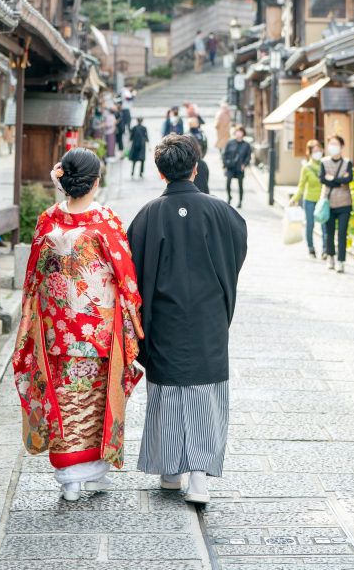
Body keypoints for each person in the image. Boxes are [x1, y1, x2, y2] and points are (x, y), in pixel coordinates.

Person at [13, 148, 143, 501]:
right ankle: (95, 470)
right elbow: (127, 277)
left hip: (57, 331)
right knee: (98, 401)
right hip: (98, 332)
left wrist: (33, 319)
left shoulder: (47, 220)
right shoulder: (106, 221)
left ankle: (70, 477)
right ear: (96, 182)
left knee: (65, 399)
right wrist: (133, 319)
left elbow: (32, 279)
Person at [127, 134, 247, 504]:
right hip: (209, 315)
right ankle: (199, 480)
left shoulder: (147, 214)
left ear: (161, 172)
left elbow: (131, 272)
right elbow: (236, 252)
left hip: (164, 318)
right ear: (196, 168)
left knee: (167, 391)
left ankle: (170, 472)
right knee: (205, 394)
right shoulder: (223, 212)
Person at [319, 133, 353, 272]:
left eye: (335, 144)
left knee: (342, 233)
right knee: (329, 232)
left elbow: (349, 179)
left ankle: (341, 261)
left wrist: (332, 178)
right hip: (329, 202)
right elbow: (322, 179)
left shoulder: (347, 162)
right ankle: (331, 257)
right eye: (330, 144)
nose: (332, 146)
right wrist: (340, 180)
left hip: (345, 203)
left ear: (342, 147)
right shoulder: (324, 162)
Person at [291, 139, 325, 259]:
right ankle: (311, 248)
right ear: (310, 153)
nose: (318, 152)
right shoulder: (306, 168)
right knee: (310, 224)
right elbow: (301, 185)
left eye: (319, 150)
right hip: (309, 199)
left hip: (322, 200)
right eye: (315, 150)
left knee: (324, 225)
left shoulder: (325, 164)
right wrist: (294, 199)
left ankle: (325, 249)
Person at [222, 125, 251, 207]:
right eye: (237, 131)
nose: (239, 133)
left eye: (240, 131)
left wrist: (244, 164)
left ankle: (240, 201)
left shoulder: (246, 145)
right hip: (231, 166)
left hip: (240, 167)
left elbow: (248, 156)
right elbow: (225, 154)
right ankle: (229, 197)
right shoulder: (230, 142)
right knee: (228, 183)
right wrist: (225, 164)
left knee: (240, 185)